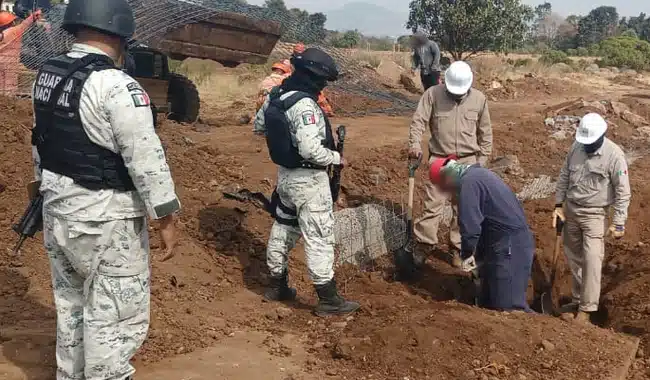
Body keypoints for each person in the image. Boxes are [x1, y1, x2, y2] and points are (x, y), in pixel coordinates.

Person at [31, 0, 181, 378]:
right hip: (106, 219)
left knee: (71, 305)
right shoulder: (117, 85)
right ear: (120, 34)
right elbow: (146, 157)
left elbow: (41, 140)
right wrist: (165, 215)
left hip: (58, 209)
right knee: (114, 313)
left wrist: (38, 188)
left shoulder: (47, 74)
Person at [253, 47, 359, 317]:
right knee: (319, 237)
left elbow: (259, 127)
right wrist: (336, 158)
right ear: (315, 78)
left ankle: (277, 285)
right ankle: (328, 299)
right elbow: (311, 150)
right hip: (309, 181)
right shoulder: (304, 104)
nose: (323, 87)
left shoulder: (276, 97)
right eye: (323, 82)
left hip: (285, 178)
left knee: (282, 229)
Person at [408, 60, 492, 268]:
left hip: (467, 160)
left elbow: (486, 133)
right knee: (433, 205)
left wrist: (481, 162)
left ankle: (458, 249)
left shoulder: (479, 99)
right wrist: (415, 144)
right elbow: (418, 121)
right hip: (441, 159)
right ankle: (424, 245)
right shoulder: (433, 95)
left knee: (463, 209)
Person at [429, 156, 535, 312]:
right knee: (492, 300)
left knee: (509, 308)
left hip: (510, 246)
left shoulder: (468, 184)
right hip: (505, 242)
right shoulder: (478, 175)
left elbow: (469, 226)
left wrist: (467, 254)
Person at [554, 113, 630, 323]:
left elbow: (623, 191)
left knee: (592, 259)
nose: (586, 147)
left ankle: (587, 310)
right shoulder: (576, 147)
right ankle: (579, 299)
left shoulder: (615, 155)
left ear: (601, 136)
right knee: (575, 258)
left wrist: (619, 221)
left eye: (591, 143)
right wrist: (558, 205)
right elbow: (564, 176)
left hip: (595, 214)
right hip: (572, 210)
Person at [0, 9, 42, 96]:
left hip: (1, 62)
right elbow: (24, 24)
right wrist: (33, 16)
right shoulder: (14, 31)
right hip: (10, 63)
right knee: (9, 86)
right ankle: (8, 102)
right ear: (10, 23)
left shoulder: (2, 34)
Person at [292, 42, 335, 116]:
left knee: (320, 96)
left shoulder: (307, 59)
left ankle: (326, 111)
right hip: (296, 81)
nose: (299, 52)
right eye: (297, 50)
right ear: (294, 51)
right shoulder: (292, 60)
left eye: (301, 50)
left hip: (308, 81)